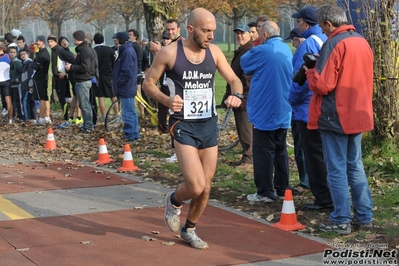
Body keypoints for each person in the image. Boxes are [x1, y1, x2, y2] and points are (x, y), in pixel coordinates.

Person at [142, 8, 243, 249]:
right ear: (190, 29)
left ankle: (190, 229)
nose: (210, 36)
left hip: (208, 125)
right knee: (196, 185)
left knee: (206, 187)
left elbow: (234, 79)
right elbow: (148, 83)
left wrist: (236, 94)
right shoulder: (169, 53)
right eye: (206, 31)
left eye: (213, 31)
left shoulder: (215, 53)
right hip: (183, 125)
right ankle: (174, 200)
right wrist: (167, 101)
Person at [305, 4, 374, 234]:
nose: (322, 31)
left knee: (335, 169)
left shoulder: (333, 43)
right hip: (358, 112)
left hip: (336, 115)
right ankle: (364, 216)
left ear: (329, 23)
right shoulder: (361, 41)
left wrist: (309, 72)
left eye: (323, 27)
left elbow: (322, 84)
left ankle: (341, 219)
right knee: (355, 166)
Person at [241, 21, 294, 202]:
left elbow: (244, 62)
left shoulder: (262, 50)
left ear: (264, 35)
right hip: (283, 108)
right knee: (280, 150)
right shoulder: (286, 49)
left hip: (265, 109)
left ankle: (264, 191)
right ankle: (282, 188)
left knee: (263, 152)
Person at [290, 6, 333, 210]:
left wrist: (292, 100)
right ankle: (332, 194)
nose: (298, 25)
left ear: (306, 24)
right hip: (325, 106)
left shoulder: (307, 45)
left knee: (312, 155)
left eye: (299, 21)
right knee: (325, 154)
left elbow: (299, 80)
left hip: (306, 109)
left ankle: (323, 198)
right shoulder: (327, 40)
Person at [221, 24, 254, 166]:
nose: (239, 36)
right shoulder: (242, 50)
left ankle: (249, 158)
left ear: (250, 35)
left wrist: (240, 96)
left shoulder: (249, 51)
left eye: (242, 33)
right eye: (237, 33)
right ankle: (248, 156)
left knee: (246, 129)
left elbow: (247, 78)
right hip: (238, 96)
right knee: (242, 129)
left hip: (244, 97)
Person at [285, 27, 309, 191]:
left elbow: (299, 83)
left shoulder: (302, 53)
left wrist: (292, 100)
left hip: (301, 109)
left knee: (301, 146)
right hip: (304, 108)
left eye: (293, 41)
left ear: (298, 40)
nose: (292, 45)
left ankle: (305, 181)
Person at [65, 30, 97, 133]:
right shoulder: (83, 50)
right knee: (83, 104)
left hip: (83, 80)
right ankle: (87, 124)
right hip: (82, 79)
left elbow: (85, 67)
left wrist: (72, 67)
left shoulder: (85, 51)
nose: (72, 39)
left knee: (85, 104)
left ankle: (88, 125)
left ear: (77, 38)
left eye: (74, 38)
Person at [112, 32, 140, 141]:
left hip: (126, 87)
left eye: (116, 39)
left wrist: (119, 83)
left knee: (127, 112)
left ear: (120, 40)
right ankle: (133, 133)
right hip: (126, 87)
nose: (115, 41)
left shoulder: (127, 52)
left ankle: (130, 135)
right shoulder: (126, 50)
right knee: (130, 111)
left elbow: (127, 72)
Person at [47, 35, 75, 128]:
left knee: (63, 99)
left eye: (51, 41)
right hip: (56, 78)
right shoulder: (53, 50)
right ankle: (66, 118)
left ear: (55, 42)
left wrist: (65, 71)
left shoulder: (60, 50)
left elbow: (73, 59)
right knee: (60, 98)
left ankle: (67, 119)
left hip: (62, 78)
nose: (49, 43)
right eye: (48, 42)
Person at [93, 33, 118, 122]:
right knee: (113, 96)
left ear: (94, 40)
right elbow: (114, 61)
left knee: (101, 97)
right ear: (103, 40)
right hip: (109, 75)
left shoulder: (93, 50)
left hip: (98, 76)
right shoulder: (109, 49)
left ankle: (104, 116)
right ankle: (117, 115)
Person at [59, 36, 83, 126]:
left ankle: (72, 116)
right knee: (78, 96)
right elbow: (73, 61)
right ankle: (79, 117)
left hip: (72, 74)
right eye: (62, 42)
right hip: (73, 75)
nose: (64, 42)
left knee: (75, 96)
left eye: (65, 40)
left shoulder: (68, 51)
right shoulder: (64, 52)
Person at [33, 35, 51, 125]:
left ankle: (42, 118)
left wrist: (34, 63)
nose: (37, 42)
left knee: (41, 98)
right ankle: (47, 117)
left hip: (40, 78)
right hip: (43, 77)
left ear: (43, 42)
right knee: (45, 97)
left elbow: (35, 65)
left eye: (39, 41)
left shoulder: (43, 54)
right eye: (37, 40)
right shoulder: (40, 52)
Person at [128, 29, 145, 120]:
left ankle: (140, 114)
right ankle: (141, 114)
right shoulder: (138, 46)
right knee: (139, 94)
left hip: (135, 71)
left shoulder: (133, 46)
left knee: (137, 94)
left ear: (135, 36)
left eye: (130, 35)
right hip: (138, 70)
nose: (128, 36)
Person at [19, 49, 37, 122]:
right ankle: (32, 117)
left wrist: (30, 86)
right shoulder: (24, 64)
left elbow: (30, 75)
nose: (22, 56)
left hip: (27, 86)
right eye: (21, 55)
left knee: (25, 101)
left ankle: (26, 118)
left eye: (24, 54)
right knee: (29, 101)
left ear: (28, 55)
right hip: (25, 86)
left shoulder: (29, 63)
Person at [0, 42, 13, 123]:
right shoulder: (8, 56)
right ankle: (10, 119)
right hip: (6, 81)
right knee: (8, 100)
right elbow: (12, 66)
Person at [8, 46, 23, 121]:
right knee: (12, 101)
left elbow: (22, 72)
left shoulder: (18, 63)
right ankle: (13, 115)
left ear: (17, 53)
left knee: (18, 101)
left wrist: (18, 79)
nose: (12, 54)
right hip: (10, 85)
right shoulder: (8, 62)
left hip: (17, 85)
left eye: (14, 52)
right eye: (11, 52)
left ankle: (20, 115)